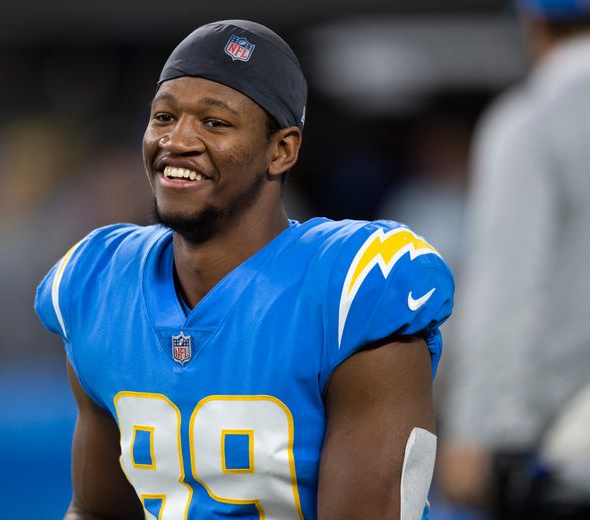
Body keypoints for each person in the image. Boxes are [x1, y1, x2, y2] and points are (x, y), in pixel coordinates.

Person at [35, 20, 454, 520]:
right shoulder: (99, 283)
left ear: (282, 151)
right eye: (164, 117)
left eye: (215, 123)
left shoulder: (351, 288)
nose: (177, 140)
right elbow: (96, 510)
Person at [440, 1, 590, 518]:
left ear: (533, 22)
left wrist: (480, 428)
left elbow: (509, 284)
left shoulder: (533, 118)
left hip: (563, 436)